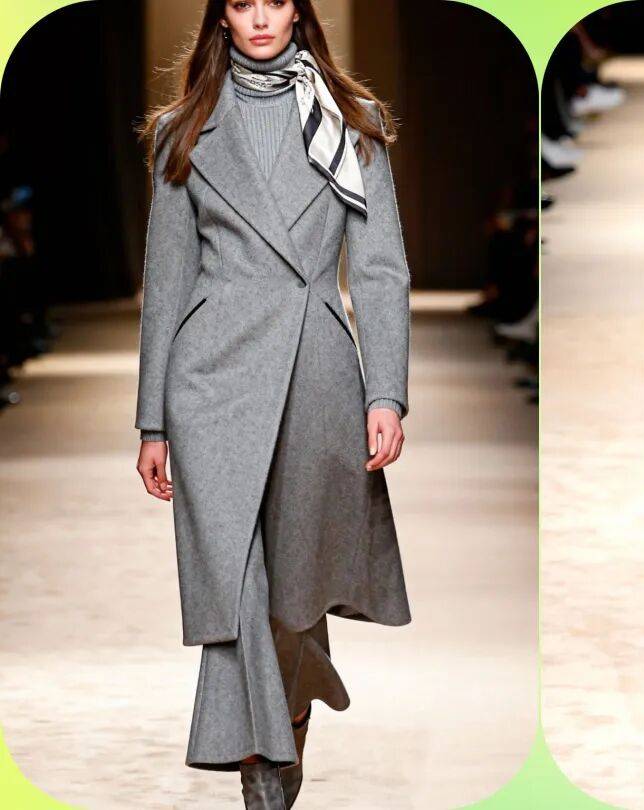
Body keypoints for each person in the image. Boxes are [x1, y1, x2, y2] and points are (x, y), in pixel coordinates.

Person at [133, 1, 411, 806]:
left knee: (295, 586)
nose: (260, 18)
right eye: (242, 2)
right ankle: (263, 772)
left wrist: (386, 390)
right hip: (209, 379)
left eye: (275, 1)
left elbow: (381, 268)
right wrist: (152, 419)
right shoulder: (184, 131)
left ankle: (285, 717)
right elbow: (167, 281)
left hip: (314, 367)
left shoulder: (351, 123)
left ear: (299, 12)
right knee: (235, 583)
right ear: (222, 17)